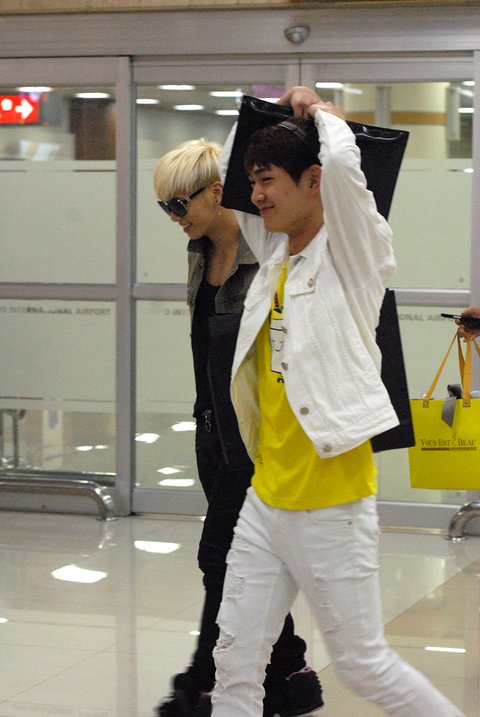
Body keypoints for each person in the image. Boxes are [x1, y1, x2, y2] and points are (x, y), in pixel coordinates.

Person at [210, 86, 466, 717]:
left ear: (313, 181)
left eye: (269, 181)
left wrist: (320, 112)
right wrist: (268, 115)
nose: (257, 195)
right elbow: (230, 176)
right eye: (254, 182)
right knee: (234, 662)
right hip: (267, 498)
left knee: (361, 665)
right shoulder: (275, 256)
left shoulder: (353, 253)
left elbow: (348, 172)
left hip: (331, 503)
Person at [152, 138, 323, 717]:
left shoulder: (268, 255)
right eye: (165, 207)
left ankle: (202, 681)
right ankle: (291, 672)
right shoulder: (202, 250)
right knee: (249, 560)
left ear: (217, 192)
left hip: (254, 437)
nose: (175, 218)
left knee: (219, 557)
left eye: (180, 204)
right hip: (212, 429)